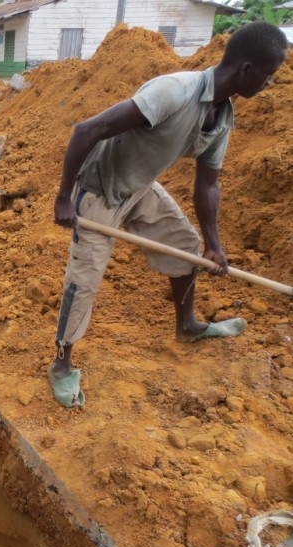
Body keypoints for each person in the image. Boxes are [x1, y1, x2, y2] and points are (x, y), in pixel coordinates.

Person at [47, 21, 288, 408]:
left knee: (185, 247)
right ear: (246, 69)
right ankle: (61, 364)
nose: (270, 82)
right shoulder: (174, 91)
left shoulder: (222, 117)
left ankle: (188, 326)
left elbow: (207, 184)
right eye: (269, 73)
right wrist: (63, 197)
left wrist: (213, 245)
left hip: (141, 186)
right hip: (101, 190)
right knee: (84, 280)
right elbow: (87, 130)